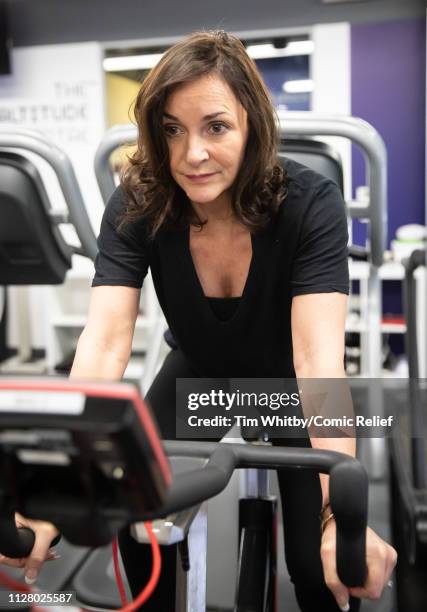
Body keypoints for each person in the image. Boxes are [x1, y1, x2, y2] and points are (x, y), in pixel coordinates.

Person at [0, 31, 396, 612]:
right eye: (171, 129)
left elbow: (317, 363)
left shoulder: (312, 203)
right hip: (198, 378)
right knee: (140, 522)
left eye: (215, 127)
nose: (191, 155)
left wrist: (340, 512)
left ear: (251, 125)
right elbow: (106, 342)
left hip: (285, 387)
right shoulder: (140, 200)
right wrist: (61, 486)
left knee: (321, 565)